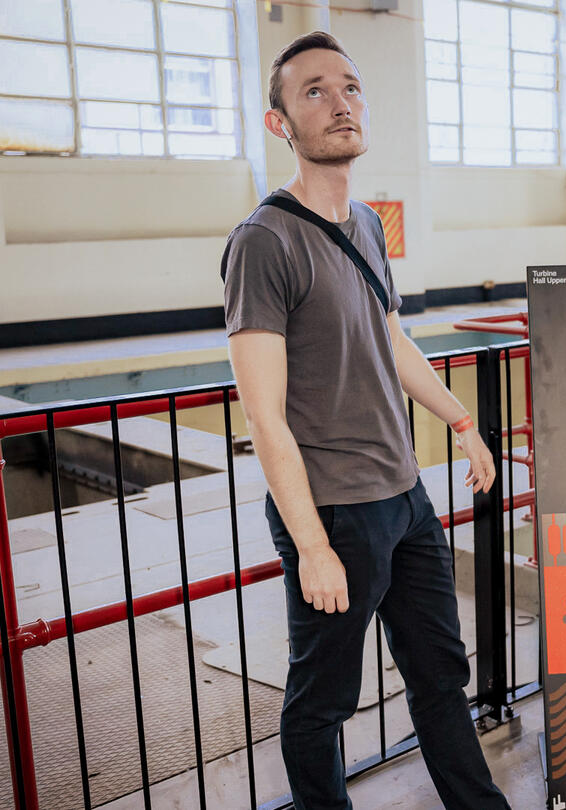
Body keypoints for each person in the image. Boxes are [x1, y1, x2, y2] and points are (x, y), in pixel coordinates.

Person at [221, 31, 511, 810]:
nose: (340, 101)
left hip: (405, 498)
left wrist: (460, 421)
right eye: (314, 90)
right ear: (281, 121)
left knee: (440, 676)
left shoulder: (368, 227)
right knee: (323, 704)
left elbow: (389, 336)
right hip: (336, 512)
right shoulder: (263, 240)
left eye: (349, 86)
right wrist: (311, 545)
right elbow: (265, 414)